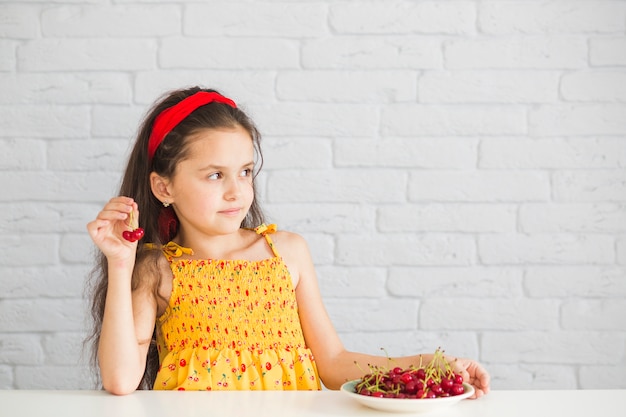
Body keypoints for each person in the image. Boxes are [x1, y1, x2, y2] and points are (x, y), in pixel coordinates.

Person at [86, 86, 491, 396]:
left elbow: (332, 364)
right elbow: (121, 380)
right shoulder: (157, 270)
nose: (236, 192)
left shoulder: (287, 253)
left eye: (245, 172)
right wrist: (122, 264)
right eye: (215, 175)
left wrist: (428, 365)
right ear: (164, 187)